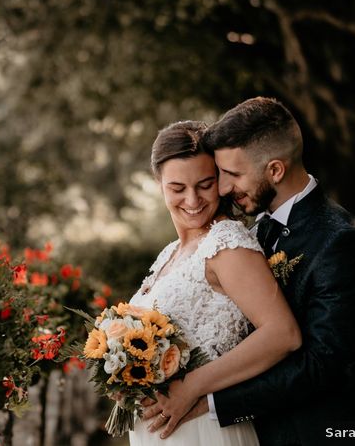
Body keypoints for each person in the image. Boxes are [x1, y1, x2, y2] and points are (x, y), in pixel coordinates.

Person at [141, 97, 355, 445]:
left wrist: (209, 403)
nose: (223, 188)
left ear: (275, 170)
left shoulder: (341, 242)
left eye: (233, 175)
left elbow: (322, 365)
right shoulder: (256, 230)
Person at [127, 120, 301, 446]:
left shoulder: (227, 242)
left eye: (205, 185)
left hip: (203, 433)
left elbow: (283, 334)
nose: (192, 200)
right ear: (158, 183)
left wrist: (191, 386)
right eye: (178, 188)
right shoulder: (170, 253)